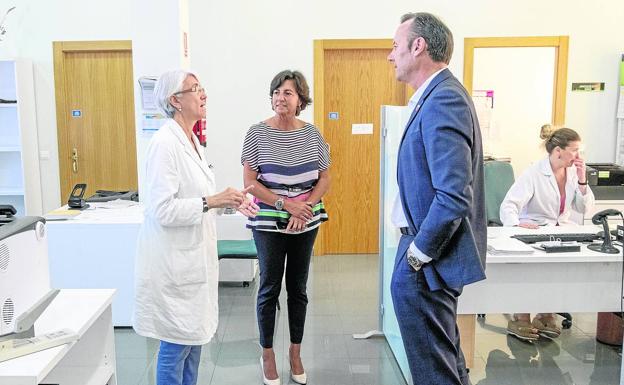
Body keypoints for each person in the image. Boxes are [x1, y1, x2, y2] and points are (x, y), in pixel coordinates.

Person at [133, 69, 258, 385]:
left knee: (193, 344)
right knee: (175, 348)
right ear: (175, 100)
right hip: (174, 266)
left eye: (202, 87)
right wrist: (213, 201)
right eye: (194, 89)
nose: (203, 94)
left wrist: (228, 202)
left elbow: (197, 199)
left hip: (193, 262)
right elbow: (162, 209)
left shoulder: (192, 141)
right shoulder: (164, 144)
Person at [388, 12, 486, 385]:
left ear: (419, 46)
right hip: (419, 250)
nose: (390, 55)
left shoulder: (444, 99)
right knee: (442, 361)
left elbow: (453, 195)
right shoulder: (433, 95)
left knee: (435, 371)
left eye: (396, 46)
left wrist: (418, 252)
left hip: (427, 257)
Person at [241, 70, 331, 385]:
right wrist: (285, 204)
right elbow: (250, 184)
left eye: (288, 93)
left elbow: (325, 179)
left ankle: (295, 351)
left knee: (298, 288)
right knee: (268, 287)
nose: (281, 98)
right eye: (277, 91)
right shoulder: (256, 133)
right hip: (268, 220)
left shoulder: (313, 134)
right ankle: (267, 353)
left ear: (300, 100)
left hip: (306, 219)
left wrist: (302, 209)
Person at [500, 125, 595, 341]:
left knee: (557, 271)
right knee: (532, 271)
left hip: (560, 230)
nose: (578, 156)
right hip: (534, 231)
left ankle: (545, 315)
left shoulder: (572, 173)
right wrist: (516, 226)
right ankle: (520, 318)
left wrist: (582, 180)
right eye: (575, 150)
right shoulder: (534, 172)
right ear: (558, 151)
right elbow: (508, 206)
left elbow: (584, 208)